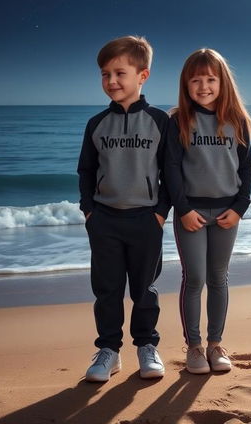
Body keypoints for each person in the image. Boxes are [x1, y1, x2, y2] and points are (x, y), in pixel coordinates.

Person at [77, 35, 170, 382]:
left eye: (119, 73)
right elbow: (85, 170)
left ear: (142, 76)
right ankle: (109, 352)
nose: (111, 82)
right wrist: (89, 211)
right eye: (104, 74)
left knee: (144, 290)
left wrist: (160, 212)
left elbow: (170, 172)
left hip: (146, 219)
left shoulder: (161, 122)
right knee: (107, 290)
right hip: (105, 220)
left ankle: (147, 347)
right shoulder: (96, 123)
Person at [165, 48, 251, 374]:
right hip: (192, 213)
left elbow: (246, 170)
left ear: (222, 82)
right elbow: (171, 171)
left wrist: (239, 208)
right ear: (186, 84)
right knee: (195, 278)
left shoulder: (236, 121)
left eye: (211, 79)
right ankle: (194, 347)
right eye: (196, 80)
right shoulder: (178, 121)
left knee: (218, 278)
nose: (204, 86)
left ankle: (216, 345)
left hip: (227, 213)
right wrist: (184, 209)